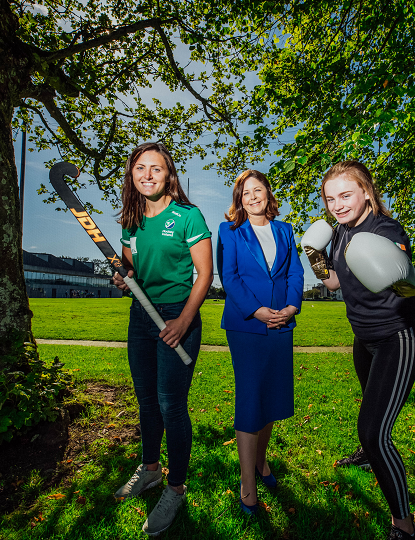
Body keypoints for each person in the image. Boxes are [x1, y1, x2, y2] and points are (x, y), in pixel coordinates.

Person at [302, 161, 415, 539]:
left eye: (345, 195)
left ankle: (404, 527)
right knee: (370, 410)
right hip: (364, 338)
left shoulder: (385, 229)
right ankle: (369, 456)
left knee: (374, 432)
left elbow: (407, 286)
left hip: (397, 337)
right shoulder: (339, 232)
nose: (337, 204)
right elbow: (335, 283)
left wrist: (394, 269)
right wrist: (313, 253)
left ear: (367, 192)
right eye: (330, 198)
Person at [111, 142, 213, 536]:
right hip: (141, 319)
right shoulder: (131, 220)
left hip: (177, 316)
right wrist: (121, 279)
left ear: (169, 175)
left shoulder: (187, 216)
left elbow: (204, 274)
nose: (148, 175)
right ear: (132, 175)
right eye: (140, 168)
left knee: (172, 405)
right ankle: (150, 470)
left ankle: (175, 487)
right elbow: (130, 271)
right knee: (147, 402)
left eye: (156, 169)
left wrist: (184, 321)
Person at [216, 170, 303, 515]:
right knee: (252, 398)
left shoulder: (284, 229)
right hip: (247, 325)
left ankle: (261, 462)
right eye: (245, 192)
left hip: (283, 322)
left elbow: (295, 271)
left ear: (267, 193)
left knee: (273, 397)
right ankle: (247, 481)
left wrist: (291, 306)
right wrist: (257, 311)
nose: (252, 196)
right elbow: (229, 276)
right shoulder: (229, 230)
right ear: (239, 199)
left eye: (257, 189)